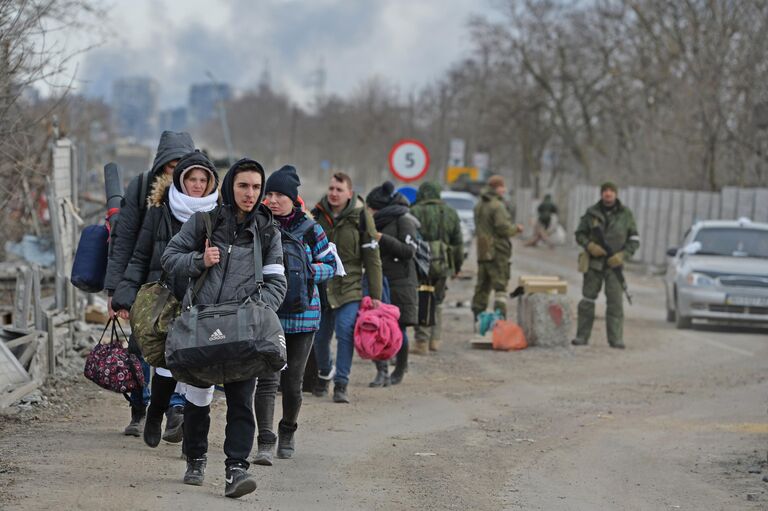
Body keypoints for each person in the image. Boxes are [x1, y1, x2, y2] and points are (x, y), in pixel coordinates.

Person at [161, 158, 286, 498]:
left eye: (256, 187)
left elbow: (277, 284)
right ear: (230, 185)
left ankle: (236, 470)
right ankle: (196, 457)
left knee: (241, 401)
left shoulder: (268, 231)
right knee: (198, 399)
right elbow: (170, 257)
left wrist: (255, 315)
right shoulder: (204, 221)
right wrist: (199, 261)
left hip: (244, 332)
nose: (250, 193)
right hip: (201, 325)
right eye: (243, 185)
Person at [111, 151, 219, 448]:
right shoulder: (160, 212)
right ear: (181, 181)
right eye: (192, 179)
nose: (197, 185)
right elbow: (140, 256)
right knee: (164, 361)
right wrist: (123, 296)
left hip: (202, 300)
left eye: (203, 180)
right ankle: (156, 412)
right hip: (165, 299)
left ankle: (186, 429)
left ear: (211, 183)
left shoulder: (218, 214)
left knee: (196, 363)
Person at [105, 130, 195, 437]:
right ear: (160, 165)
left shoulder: (203, 194)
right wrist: (117, 292)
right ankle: (139, 408)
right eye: (171, 165)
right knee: (141, 346)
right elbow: (125, 241)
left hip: (187, 288)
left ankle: (174, 409)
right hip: (147, 285)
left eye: (182, 164)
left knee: (178, 348)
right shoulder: (144, 189)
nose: (177, 171)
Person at [252, 165, 336, 465]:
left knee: (292, 383)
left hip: (303, 317)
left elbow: (331, 266)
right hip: (267, 315)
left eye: (279, 195)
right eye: (269, 194)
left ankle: (287, 429)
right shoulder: (256, 224)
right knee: (267, 380)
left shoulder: (310, 229)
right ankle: (264, 440)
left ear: (293, 198)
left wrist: (309, 271)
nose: (273, 200)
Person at [311, 172, 383, 403]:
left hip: (350, 286)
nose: (333, 193)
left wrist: (375, 294)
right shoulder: (317, 215)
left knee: (345, 331)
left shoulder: (361, 217)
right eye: (331, 188)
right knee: (320, 337)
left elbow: (372, 257)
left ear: (349, 194)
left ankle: (341, 383)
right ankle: (325, 372)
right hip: (322, 286)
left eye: (339, 190)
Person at [572, 182, 640, 349]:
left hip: (614, 265)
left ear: (616, 194)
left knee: (615, 302)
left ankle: (615, 339)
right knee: (587, 300)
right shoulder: (592, 213)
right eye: (605, 191)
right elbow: (579, 234)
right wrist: (590, 246)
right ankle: (582, 336)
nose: (608, 194)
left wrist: (622, 256)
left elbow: (634, 240)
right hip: (594, 264)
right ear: (601, 194)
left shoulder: (626, 214)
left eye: (611, 191)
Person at [365, 181, 419, 386]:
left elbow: (408, 251)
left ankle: (399, 370)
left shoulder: (404, 220)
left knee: (399, 328)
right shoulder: (375, 221)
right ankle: (382, 371)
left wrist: (381, 238)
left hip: (402, 282)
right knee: (377, 326)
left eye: (371, 208)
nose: (369, 211)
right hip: (380, 280)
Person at [409, 181, 464, 354]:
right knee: (438, 300)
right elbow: (458, 243)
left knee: (423, 297)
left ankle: (421, 341)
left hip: (420, 262)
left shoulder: (414, 211)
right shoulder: (451, 213)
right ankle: (435, 339)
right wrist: (457, 266)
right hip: (443, 262)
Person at [471, 175, 523, 321]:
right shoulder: (497, 206)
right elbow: (503, 229)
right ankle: (500, 323)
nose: (504, 190)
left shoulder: (479, 205)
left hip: (483, 251)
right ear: (497, 188)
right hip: (497, 252)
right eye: (502, 187)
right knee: (500, 288)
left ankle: (477, 322)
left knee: (482, 287)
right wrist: (516, 229)